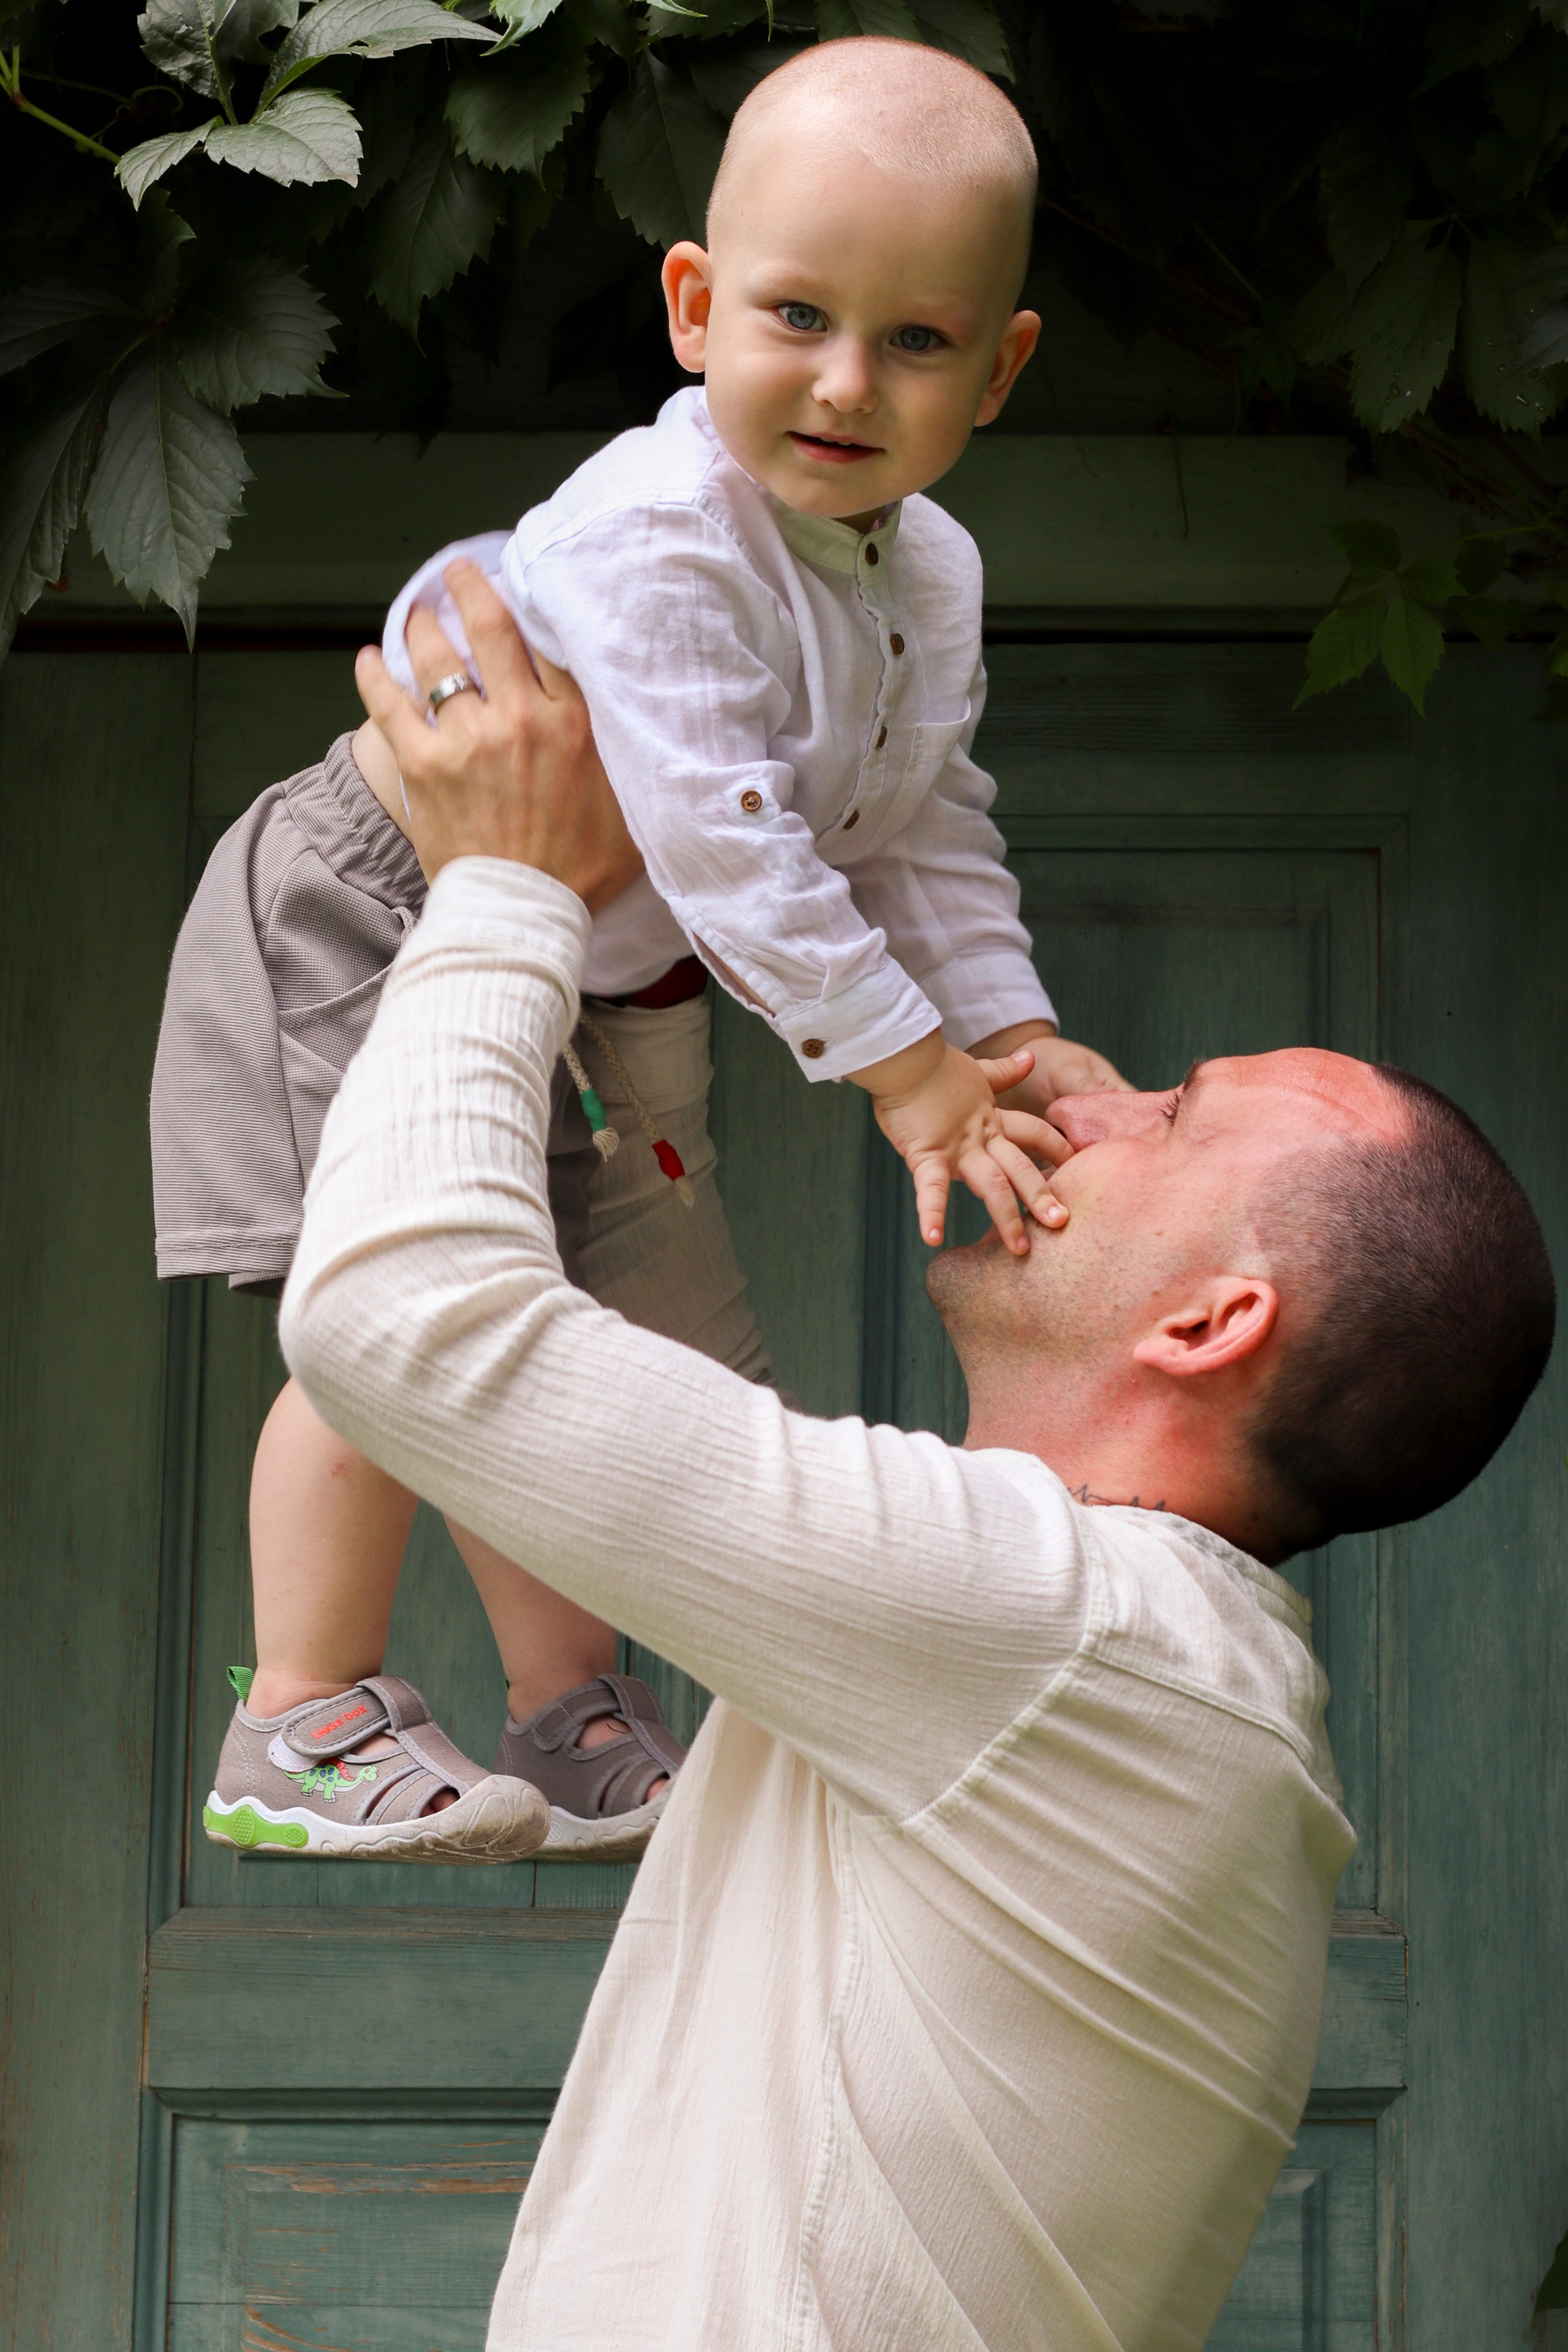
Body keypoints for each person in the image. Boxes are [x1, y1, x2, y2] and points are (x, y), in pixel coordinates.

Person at [279, 568, 1553, 2350]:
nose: (1068, 1095)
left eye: (1166, 1111)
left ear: (1210, 1324)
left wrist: (506, 880)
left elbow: (403, 1325)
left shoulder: (1066, 1642)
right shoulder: (1094, 1650)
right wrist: (651, 993)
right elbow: (643, 1376)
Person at [152, 34, 1126, 1865]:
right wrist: (906, 1073)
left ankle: (568, 1710)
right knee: (391, 1303)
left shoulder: (928, 579)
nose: (846, 382)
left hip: (570, 952)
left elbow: (922, 822)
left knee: (548, 1325)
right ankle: (297, 1710)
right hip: (372, 894)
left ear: (997, 370)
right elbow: (722, 842)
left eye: (916, 342)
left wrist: (1001, 1025)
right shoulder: (664, 529)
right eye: (796, 314)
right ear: (692, 305)